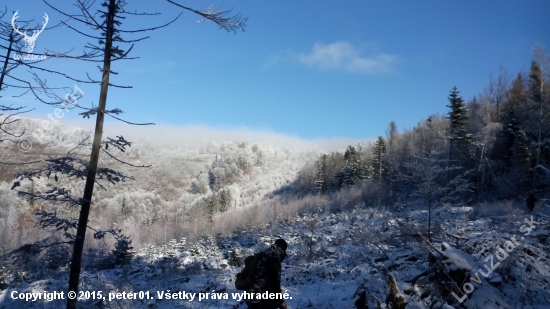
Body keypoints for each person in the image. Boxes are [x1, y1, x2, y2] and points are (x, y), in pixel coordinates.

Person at [246, 239, 288, 309]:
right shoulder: (273, 258)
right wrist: (280, 302)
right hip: (260, 296)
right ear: (283, 249)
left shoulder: (264, 254)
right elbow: (273, 282)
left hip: (250, 293)